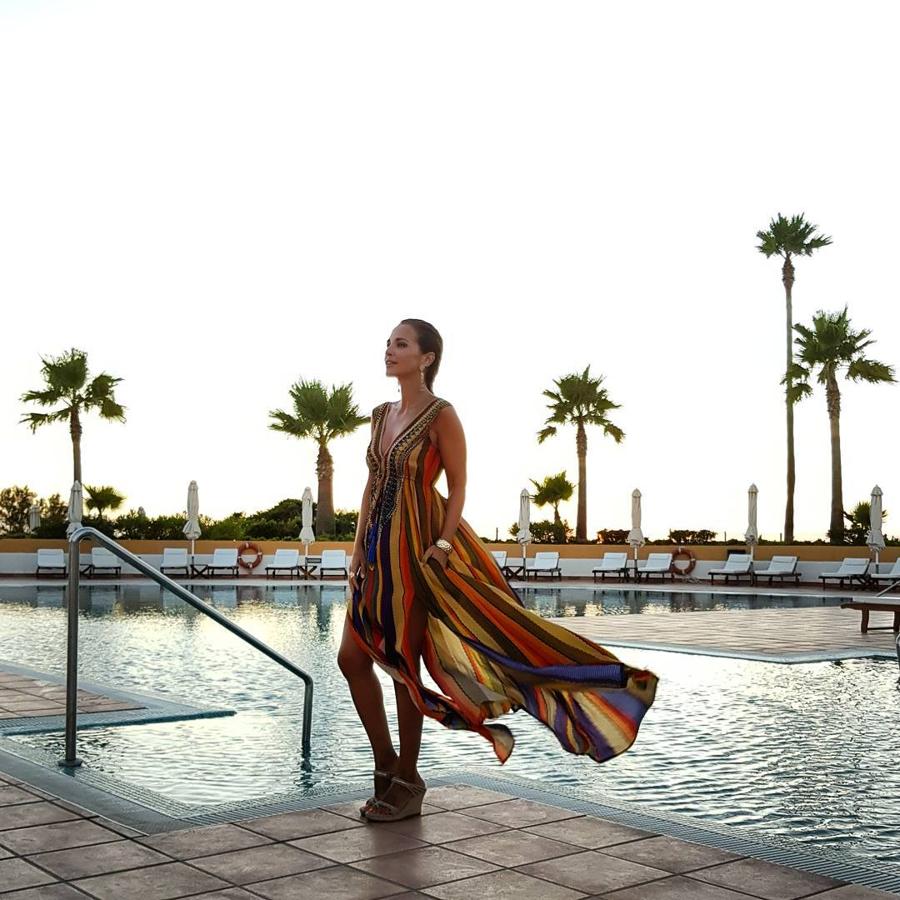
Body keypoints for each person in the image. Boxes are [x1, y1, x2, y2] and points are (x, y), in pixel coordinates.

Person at [338, 318, 658, 823]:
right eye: (388, 343)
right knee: (351, 659)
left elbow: (459, 486)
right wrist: (356, 552)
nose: (389, 350)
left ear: (427, 358)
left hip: (418, 552)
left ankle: (406, 779)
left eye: (400, 344)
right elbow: (370, 487)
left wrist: (443, 545)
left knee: (402, 666)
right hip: (376, 552)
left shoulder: (442, 414)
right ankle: (387, 765)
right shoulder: (380, 416)